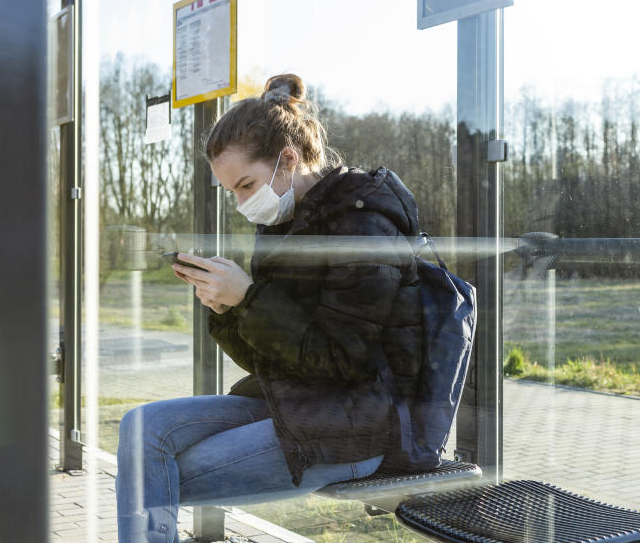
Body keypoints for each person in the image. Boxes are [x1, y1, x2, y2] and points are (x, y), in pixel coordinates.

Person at [115, 74, 425, 543]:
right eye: (232, 192)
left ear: (289, 159)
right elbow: (270, 357)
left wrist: (248, 298)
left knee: (151, 474)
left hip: (355, 423)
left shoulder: (364, 227)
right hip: (291, 403)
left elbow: (342, 361)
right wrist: (226, 309)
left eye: (246, 184)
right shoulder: (281, 227)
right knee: (141, 429)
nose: (242, 203)